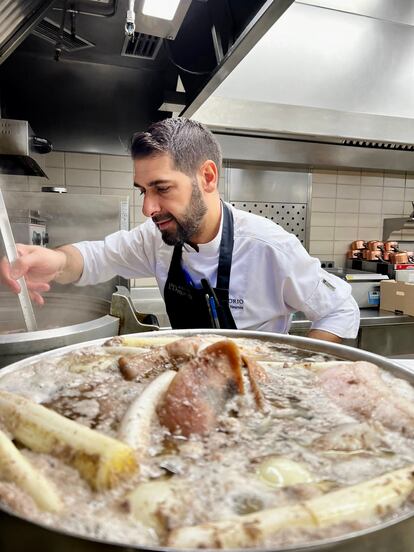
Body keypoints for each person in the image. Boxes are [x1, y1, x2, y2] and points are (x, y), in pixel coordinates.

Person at [0, 118, 359, 342]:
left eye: (162, 188)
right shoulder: (155, 239)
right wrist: (54, 260)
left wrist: (305, 371)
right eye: (143, 190)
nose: (147, 208)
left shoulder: (269, 247)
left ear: (206, 177)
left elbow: (340, 307)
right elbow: (95, 257)